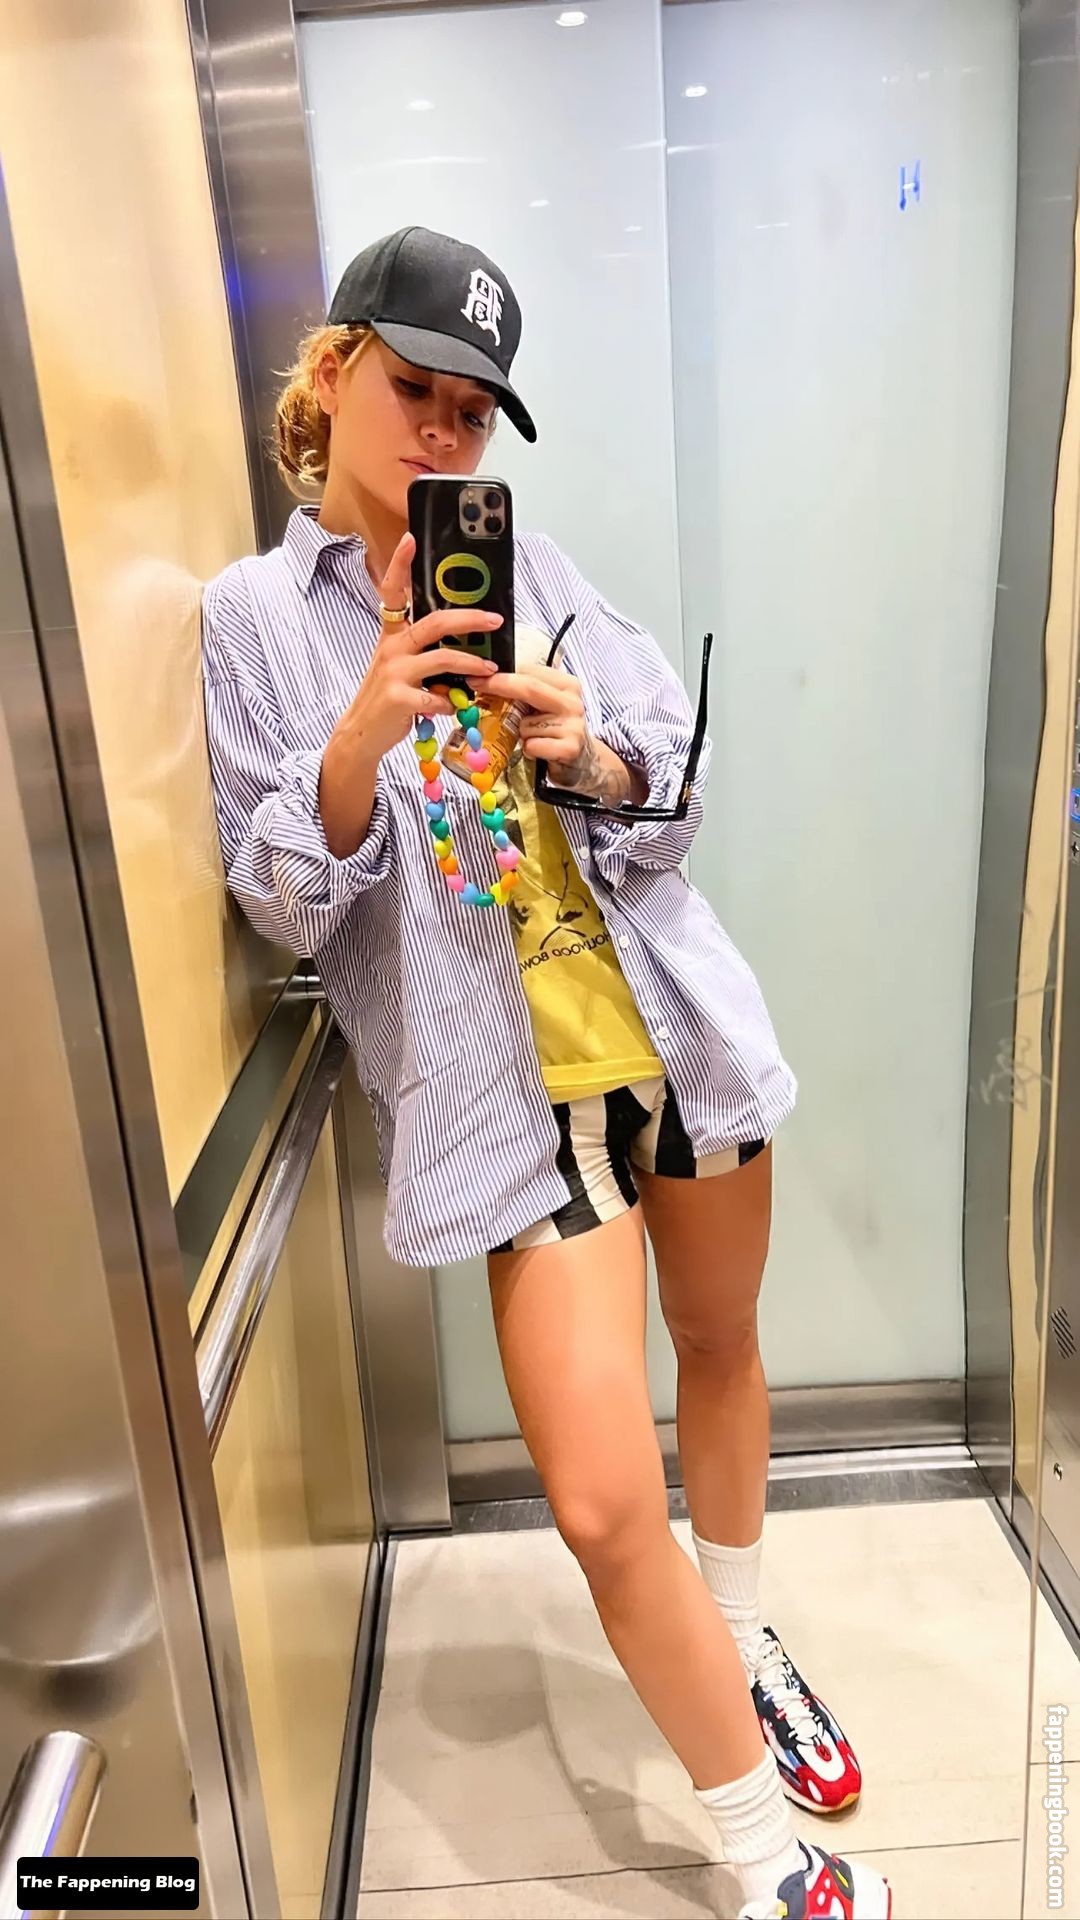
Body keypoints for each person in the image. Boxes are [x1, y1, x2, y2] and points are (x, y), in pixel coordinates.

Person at [202, 226, 890, 1920]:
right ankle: (765, 1859)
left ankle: (744, 1646)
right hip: (510, 1108)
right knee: (595, 1502)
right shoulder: (251, 619)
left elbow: (673, 787)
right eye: (416, 390)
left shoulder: (534, 562)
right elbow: (279, 897)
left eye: (474, 412)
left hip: (668, 1035)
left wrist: (592, 751)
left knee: (720, 1349)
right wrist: (361, 729)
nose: (444, 433)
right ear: (337, 370)